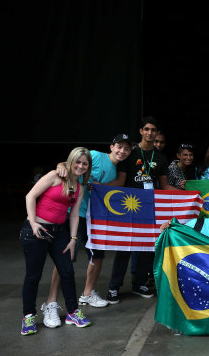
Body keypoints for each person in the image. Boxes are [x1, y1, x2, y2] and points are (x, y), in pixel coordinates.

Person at [42, 134, 132, 326]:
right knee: (64, 256)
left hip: (96, 216)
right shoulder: (95, 156)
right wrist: (60, 164)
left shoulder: (118, 171)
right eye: (119, 147)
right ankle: (51, 302)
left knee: (98, 254)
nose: (122, 151)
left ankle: (87, 293)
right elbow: (70, 163)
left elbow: (116, 185)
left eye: (126, 149)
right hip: (74, 212)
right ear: (112, 146)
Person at [21, 147, 93, 335]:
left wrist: (73, 239)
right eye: (77, 162)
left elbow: (75, 214)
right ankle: (28, 317)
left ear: (88, 167)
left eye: (84, 163)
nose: (80, 166)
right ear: (70, 161)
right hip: (36, 230)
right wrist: (33, 221)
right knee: (33, 276)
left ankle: (72, 312)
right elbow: (30, 196)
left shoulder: (80, 188)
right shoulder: (54, 176)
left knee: (67, 272)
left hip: (59, 232)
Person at [108, 116, 177, 304]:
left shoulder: (161, 157)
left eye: (153, 130)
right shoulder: (131, 153)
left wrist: (188, 193)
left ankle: (139, 284)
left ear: (156, 133)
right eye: (146, 129)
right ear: (141, 131)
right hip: (128, 206)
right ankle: (114, 287)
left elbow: (163, 186)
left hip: (148, 207)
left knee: (146, 247)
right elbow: (121, 182)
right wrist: (100, 186)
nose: (149, 133)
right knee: (124, 248)